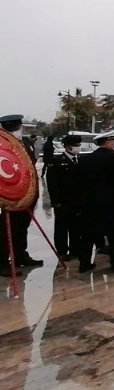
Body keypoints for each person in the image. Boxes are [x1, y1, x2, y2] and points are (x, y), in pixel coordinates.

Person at [0, 114, 43, 277]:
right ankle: (3, 262)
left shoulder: (24, 142)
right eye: (17, 127)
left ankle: (20, 256)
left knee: (22, 227)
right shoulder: (3, 144)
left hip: (27, 193)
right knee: (6, 230)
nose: (20, 129)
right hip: (9, 195)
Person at [81, 130, 114, 272]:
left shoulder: (85, 159)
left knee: (88, 235)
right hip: (111, 204)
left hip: (91, 204)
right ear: (108, 142)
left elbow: (79, 183)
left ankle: (84, 264)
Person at [46, 134, 85, 259]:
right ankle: (62, 251)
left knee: (76, 227)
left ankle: (76, 248)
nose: (78, 148)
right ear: (68, 147)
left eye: (79, 145)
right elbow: (52, 183)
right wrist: (55, 201)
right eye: (76, 146)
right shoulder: (57, 161)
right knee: (62, 228)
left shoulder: (81, 160)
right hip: (63, 201)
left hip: (77, 201)